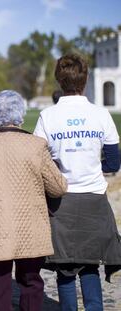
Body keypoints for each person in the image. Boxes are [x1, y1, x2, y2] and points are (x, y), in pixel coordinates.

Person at [0, 90, 67, 311]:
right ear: (20, 115)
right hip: (31, 228)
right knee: (31, 283)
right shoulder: (36, 146)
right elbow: (58, 187)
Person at [34, 53, 121, 311]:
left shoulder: (48, 116)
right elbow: (114, 163)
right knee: (90, 263)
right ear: (85, 80)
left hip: (62, 199)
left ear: (59, 81)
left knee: (65, 267)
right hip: (94, 198)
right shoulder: (100, 114)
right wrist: (93, 166)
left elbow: (38, 159)